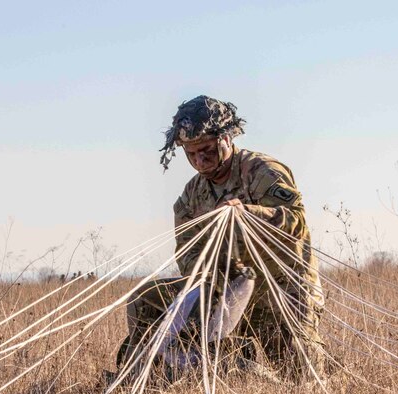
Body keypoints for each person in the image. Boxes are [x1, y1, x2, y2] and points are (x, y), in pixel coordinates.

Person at [116, 95, 325, 379]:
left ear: (226, 138)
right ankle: (147, 377)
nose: (200, 161)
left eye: (206, 151)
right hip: (223, 294)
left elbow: (295, 222)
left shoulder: (264, 172)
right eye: (190, 155)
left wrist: (249, 214)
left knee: (303, 382)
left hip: (281, 292)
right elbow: (188, 256)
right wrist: (208, 293)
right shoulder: (190, 198)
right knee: (147, 298)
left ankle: (252, 369)